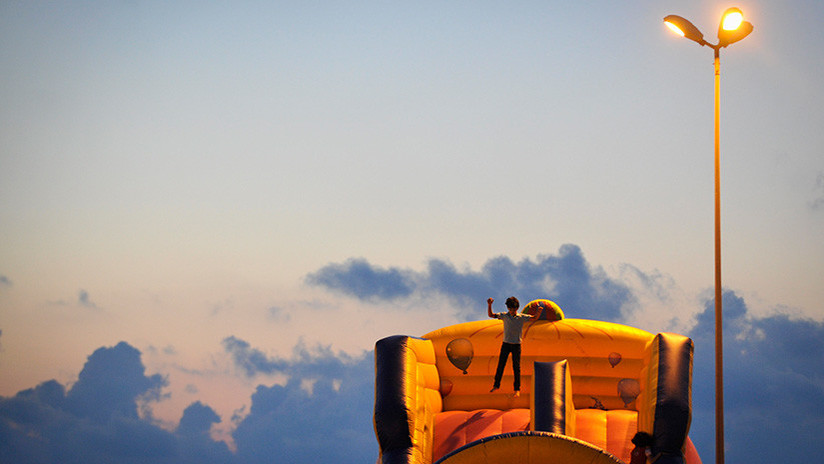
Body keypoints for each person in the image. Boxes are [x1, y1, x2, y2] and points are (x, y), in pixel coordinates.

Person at [487, 296, 540, 397]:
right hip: (506, 344)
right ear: (508, 308)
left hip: (516, 345)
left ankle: (517, 389)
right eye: (510, 309)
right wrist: (489, 305)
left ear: (517, 308)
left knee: (516, 367)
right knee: (501, 365)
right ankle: (496, 385)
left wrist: (539, 311)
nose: (512, 311)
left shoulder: (521, 317)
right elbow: (491, 315)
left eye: (514, 309)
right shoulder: (504, 316)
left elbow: (534, 318)